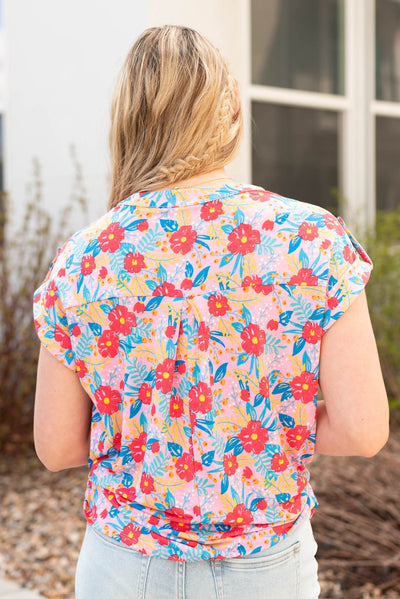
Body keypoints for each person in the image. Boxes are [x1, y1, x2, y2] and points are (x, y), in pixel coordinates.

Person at [33, 25, 389, 599]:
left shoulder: (85, 258)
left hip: (125, 564)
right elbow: (363, 429)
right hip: (263, 563)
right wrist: (259, 435)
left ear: (129, 122)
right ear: (230, 116)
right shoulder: (311, 241)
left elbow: (57, 446)